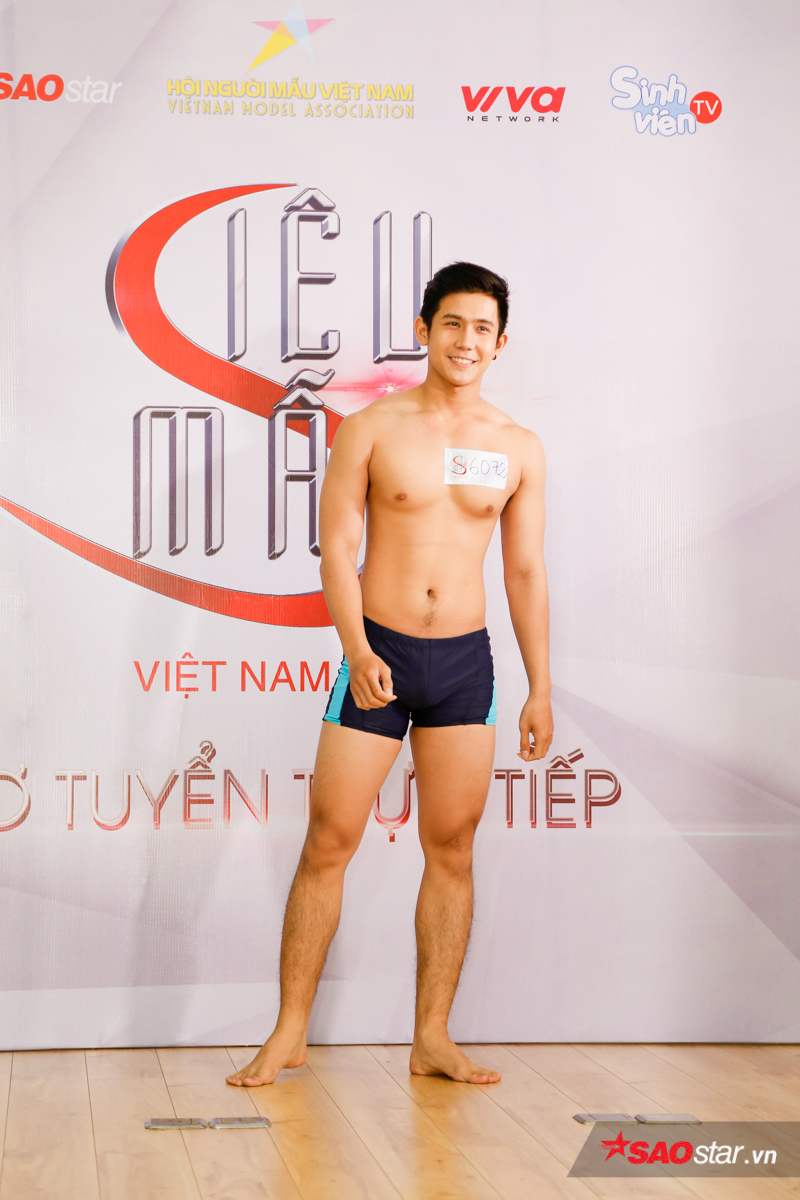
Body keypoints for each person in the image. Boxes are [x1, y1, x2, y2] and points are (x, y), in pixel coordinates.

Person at [227, 261, 553, 1087]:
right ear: (424, 331)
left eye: (482, 328)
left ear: (501, 343)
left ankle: (432, 1037)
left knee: (453, 849)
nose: (467, 340)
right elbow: (337, 550)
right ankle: (289, 1031)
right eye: (453, 324)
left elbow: (524, 572)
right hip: (379, 650)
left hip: (465, 666)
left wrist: (541, 687)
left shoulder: (517, 446)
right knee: (328, 841)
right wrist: (358, 649)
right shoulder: (371, 428)